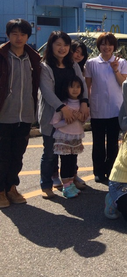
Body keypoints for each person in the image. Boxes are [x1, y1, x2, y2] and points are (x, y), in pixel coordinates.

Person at [38, 31, 89, 199]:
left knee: (71, 150)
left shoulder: (72, 64)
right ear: (51, 45)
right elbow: (46, 91)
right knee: (50, 152)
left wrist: (84, 102)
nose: (62, 48)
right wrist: (62, 108)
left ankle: (71, 178)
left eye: (65, 45)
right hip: (52, 114)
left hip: (73, 115)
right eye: (58, 44)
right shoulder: (45, 66)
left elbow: (82, 84)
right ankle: (47, 183)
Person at [0, 19, 41, 208]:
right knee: (2, 155)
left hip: (25, 115)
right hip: (4, 115)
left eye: (23, 34)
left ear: (28, 36)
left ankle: (11, 188)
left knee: (17, 155)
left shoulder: (33, 58)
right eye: (15, 33)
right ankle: (1, 190)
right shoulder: (2, 56)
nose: (19, 37)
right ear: (7, 35)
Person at [85, 32, 127, 183]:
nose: (106, 47)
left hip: (116, 108)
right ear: (99, 46)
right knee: (97, 142)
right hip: (97, 108)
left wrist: (115, 69)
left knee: (113, 142)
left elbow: (123, 84)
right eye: (103, 44)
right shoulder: (91, 63)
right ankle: (98, 171)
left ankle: (111, 170)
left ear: (114, 46)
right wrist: (86, 104)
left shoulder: (121, 62)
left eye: (110, 44)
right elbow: (87, 86)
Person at [50, 76, 86, 199]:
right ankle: (66, 187)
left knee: (73, 161)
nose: (75, 90)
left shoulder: (82, 104)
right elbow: (55, 123)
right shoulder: (63, 105)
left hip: (76, 137)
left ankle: (71, 184)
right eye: (72, 87)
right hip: (64, 138)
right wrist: (67, 120)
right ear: (66, 89)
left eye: (78, 87)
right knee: (65, 162)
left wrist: (80, 117)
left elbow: (86, 119)